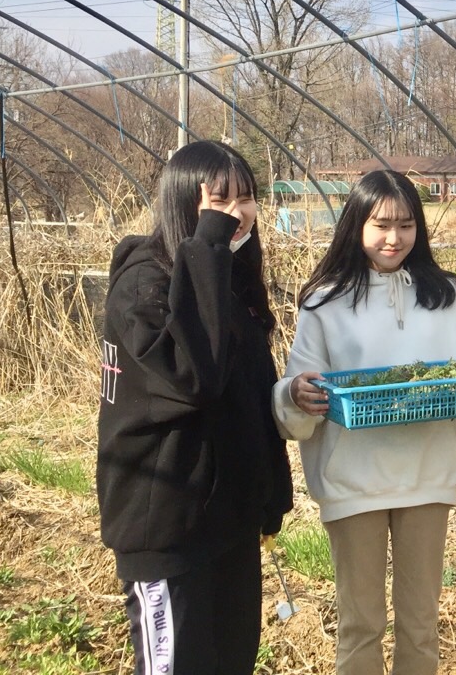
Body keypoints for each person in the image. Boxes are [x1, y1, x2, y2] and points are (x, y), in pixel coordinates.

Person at [273, 170, 456, 675]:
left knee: (421, 622)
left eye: (406, 225)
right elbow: (296, 393)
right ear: (356, 226)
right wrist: (294, 394)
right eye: (381, 225)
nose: (394, 238)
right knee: (361, 623)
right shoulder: (325, 301)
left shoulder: (445, 294)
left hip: (428, 476)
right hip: (353, 481)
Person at [97, 140, 292, 675]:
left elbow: (249, 399)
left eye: (246, 198)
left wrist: (269, 497)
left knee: (232, 661)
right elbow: (194, 379)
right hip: (168, 525)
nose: (237, 213)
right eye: (218, 201)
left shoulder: (229, 280)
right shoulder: (144, 285)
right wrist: (208, 243)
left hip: (226, 520)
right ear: (185, 203)